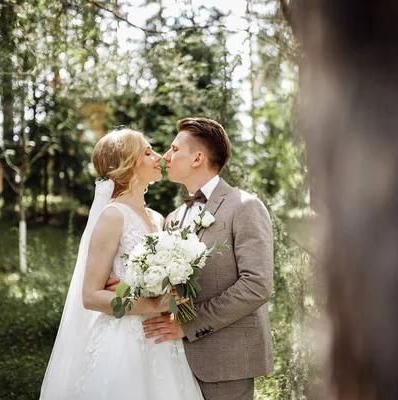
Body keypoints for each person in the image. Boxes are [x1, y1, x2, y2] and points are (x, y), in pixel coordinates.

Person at [108, 118, 274, 400]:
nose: (166, 157)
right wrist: (128, 283)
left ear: (197, 158)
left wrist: (189, 324)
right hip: (173, 362)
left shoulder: (244, 206)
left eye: (174, 149)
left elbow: (257, 286)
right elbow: (168, 281)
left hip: (226, 360)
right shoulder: (172, 218)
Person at [40, 128, 203, 400]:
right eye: (147, 152)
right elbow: (91, 296)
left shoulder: (157, 217)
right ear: (128, 163)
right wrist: (151, 304)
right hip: (124, 340)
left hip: (163, 338)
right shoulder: (113, 216)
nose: (159, 157)